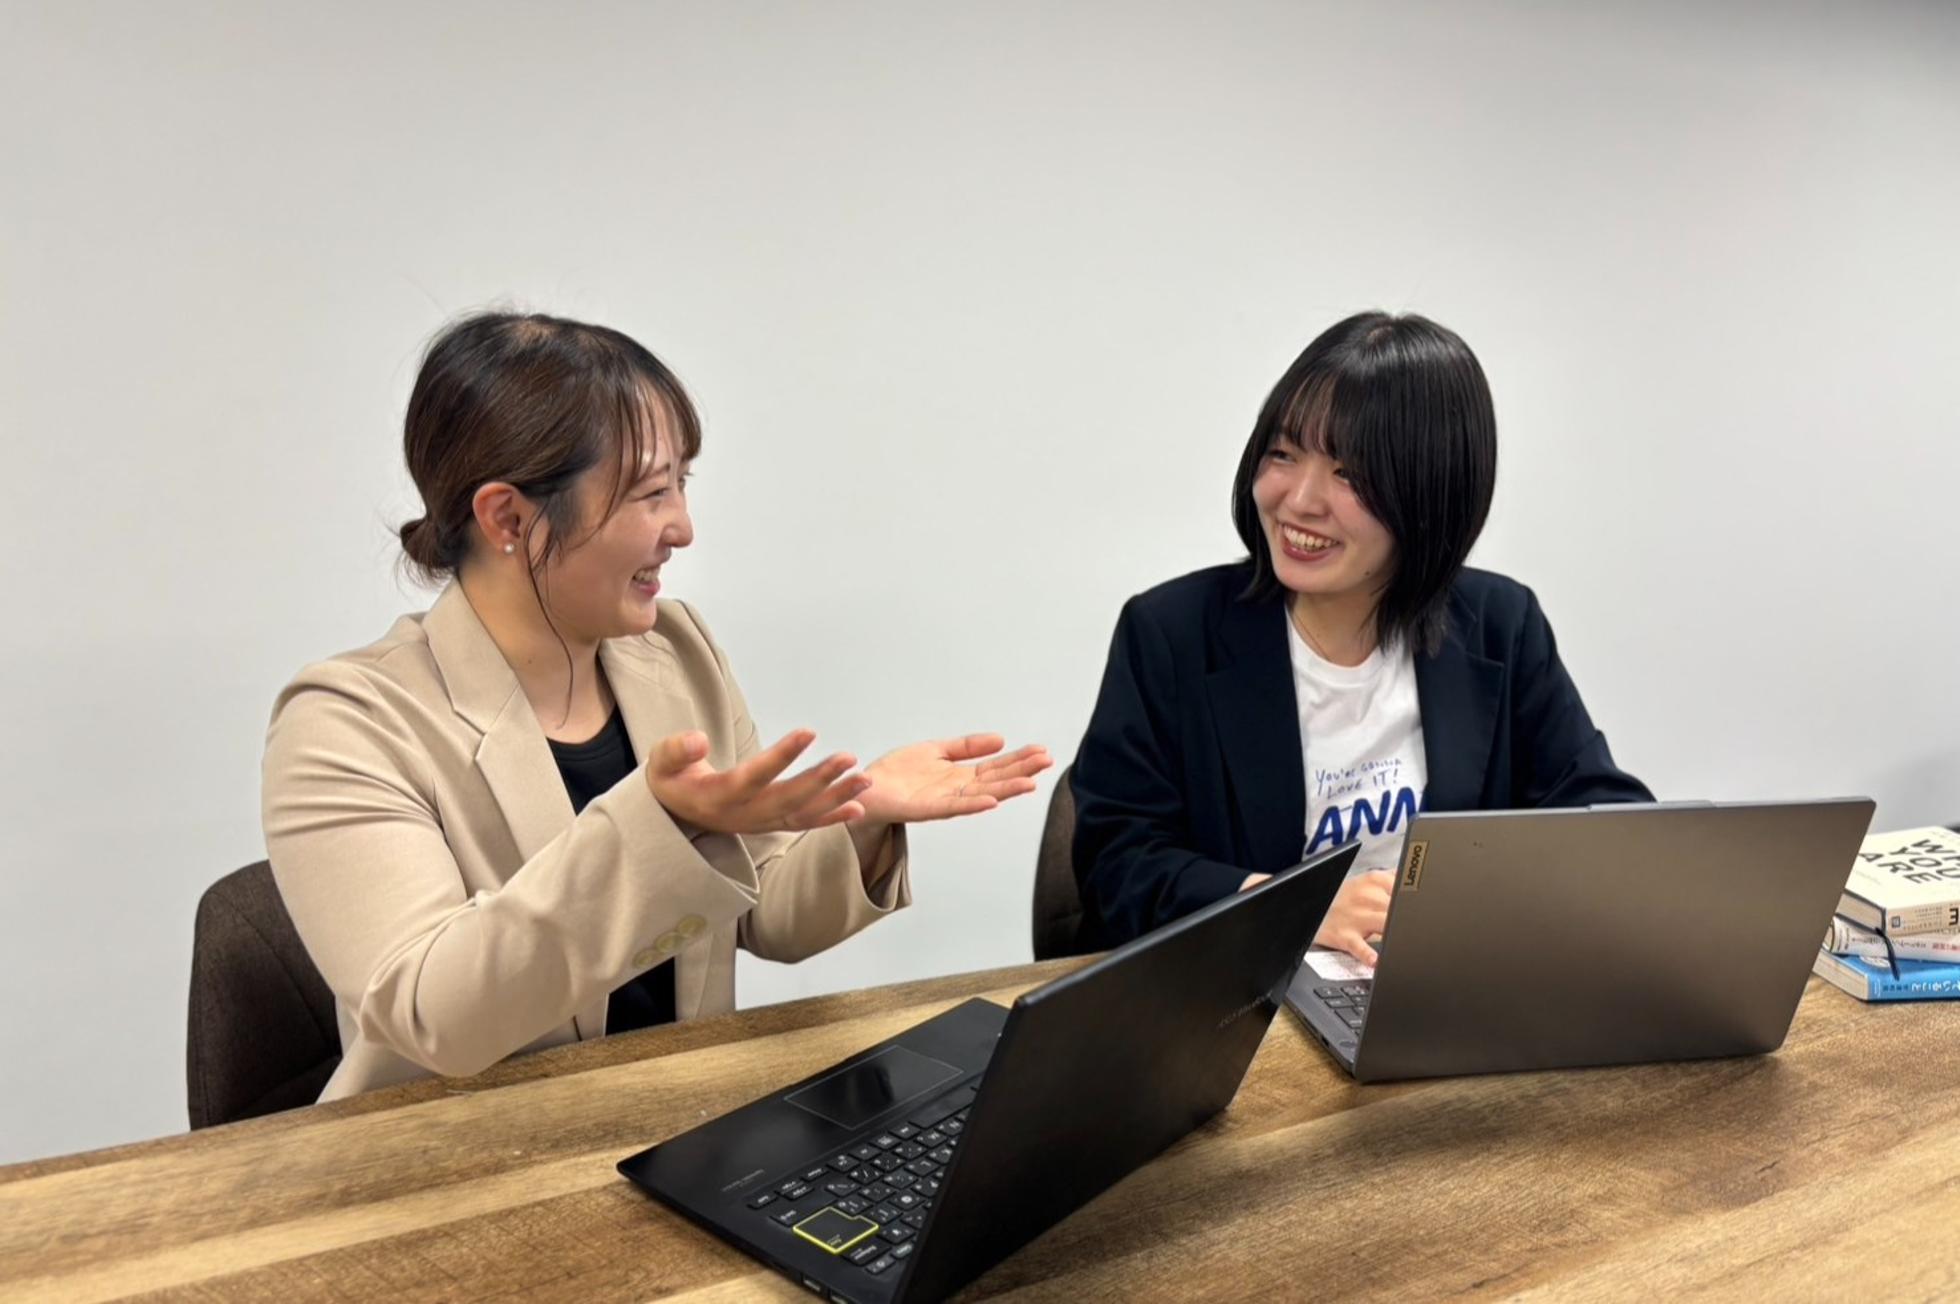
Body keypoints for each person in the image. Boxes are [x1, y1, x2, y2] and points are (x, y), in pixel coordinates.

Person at [263, 311, 1050, 1100]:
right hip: (461, 1149)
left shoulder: (677, 651)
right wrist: (658, 822)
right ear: (508, 517)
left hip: (672, 1122)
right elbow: (434, 1017)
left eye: (682, 484)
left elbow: (766, 911)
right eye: (649, 492)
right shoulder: (348, 721)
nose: (683, 527)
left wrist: (863, 817)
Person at [1071, 311, 1651, 962]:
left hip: (1440, 979)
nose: (1300, 501)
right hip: (1249, 989)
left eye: (1349, 473)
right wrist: (1293, 907)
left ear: (1431, 492)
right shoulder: (1173, 632)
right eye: (1283, 454)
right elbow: (1117, 867)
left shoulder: (1498, 623)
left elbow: (1601, 816)